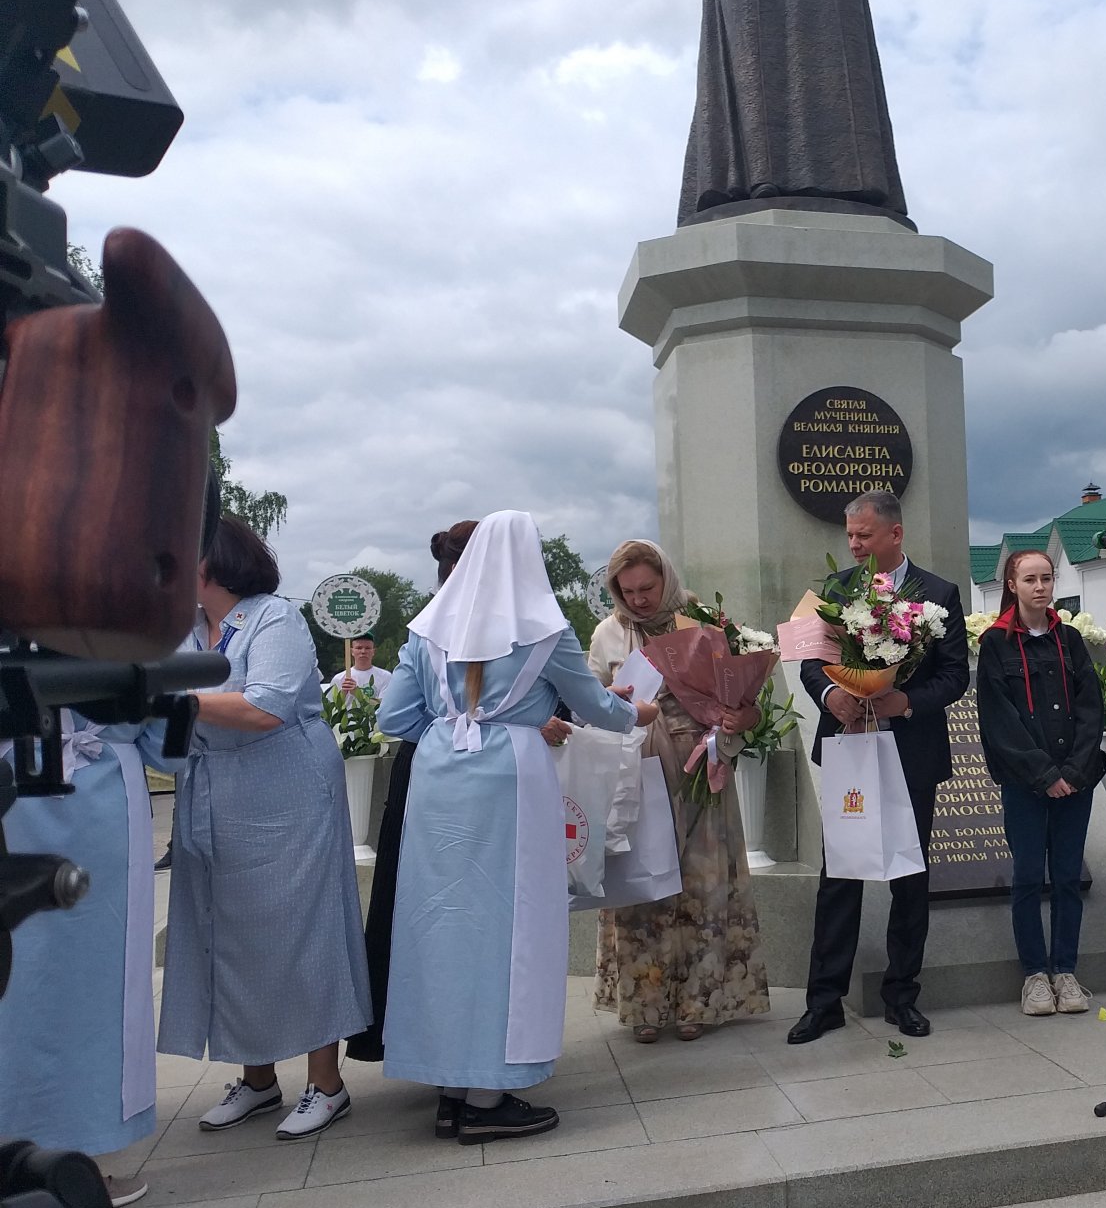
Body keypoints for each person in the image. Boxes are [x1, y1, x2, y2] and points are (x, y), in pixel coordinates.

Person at [377, 511, 637, 1143]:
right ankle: (489, 1097)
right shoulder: (544, 631)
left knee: (439, 925)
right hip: (511, 777)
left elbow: (394, 717)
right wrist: (636, 712)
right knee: (512, 927)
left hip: (439, 777)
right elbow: (600, 706)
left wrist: (451, 735)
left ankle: (449, 1086)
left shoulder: (425, 630)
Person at [159, 515, 372, 1140]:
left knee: (302, 926)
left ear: (213, 563)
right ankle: (257, 1080)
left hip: (287, 793)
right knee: (234, 930)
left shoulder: (274, 617)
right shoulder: (191, 628)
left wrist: (169, 699)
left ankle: (326, 1084)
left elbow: (265, 707)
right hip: (217, 789)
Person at [787, 489, 970, 1044]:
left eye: (863, 535)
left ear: (895, 534)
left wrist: (905, 702)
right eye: (849, 536)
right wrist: (830, 696)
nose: (854, 544)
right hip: (850, 746)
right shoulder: (835, 590)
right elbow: (810, 662)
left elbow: (956, 675)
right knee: (839, 874)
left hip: (910, 750)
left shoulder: (938, 594)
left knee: (910, 875)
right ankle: (824, 1002)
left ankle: (902, 995)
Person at [590, 539, 772, 1042]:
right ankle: (645, 1002)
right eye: (628, 591)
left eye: (648, 587)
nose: (640, 599)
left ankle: (701, 1000)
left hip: (699, 761)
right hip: (637, 764)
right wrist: (609, 699)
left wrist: (741, 715)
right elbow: (586, 704)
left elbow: (747, 702)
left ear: (666, 578)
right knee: (640, 881)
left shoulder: (700, 621)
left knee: (702, 881)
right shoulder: (608, 633)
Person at [0, 714, 174, 1206]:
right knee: (97, 985)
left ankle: (13, 1146)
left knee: (17, 976)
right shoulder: (117, 634)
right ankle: (80, 1164)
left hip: (9, 796)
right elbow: (166, 744)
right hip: (100, 797)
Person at [347, 520, 475, 1065]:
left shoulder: (427, 623)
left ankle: (405, 1034)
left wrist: (439, 735)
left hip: (418, 770)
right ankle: (461, 1042)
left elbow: (398, 715)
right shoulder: (495, 623)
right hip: (460, 777)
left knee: (408, 904)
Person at [975, 550, 1106, 1015]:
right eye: (1029, 578)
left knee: (1068, 877)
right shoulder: (995, 644)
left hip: (1076, 781)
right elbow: (999, 719)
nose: (1040, 587)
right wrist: (1044, 774)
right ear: (1012, 584)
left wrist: (1071, 772)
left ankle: (1065, 971)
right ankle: (1034, 974)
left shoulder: (1068, 639)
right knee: (1030, 877)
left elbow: (1092, 708)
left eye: (1046, 578)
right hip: (1026, 783)